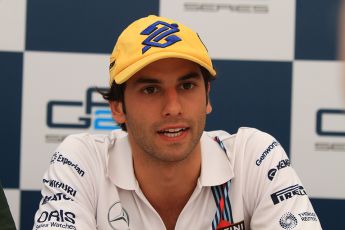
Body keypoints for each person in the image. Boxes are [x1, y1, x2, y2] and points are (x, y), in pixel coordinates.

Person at [32, 15, 322, 230]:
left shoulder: (254, 157)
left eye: (186, 87)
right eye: (151, 90)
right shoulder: (82, 161)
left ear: (207, 96)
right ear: (118, 108)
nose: (173, 108)